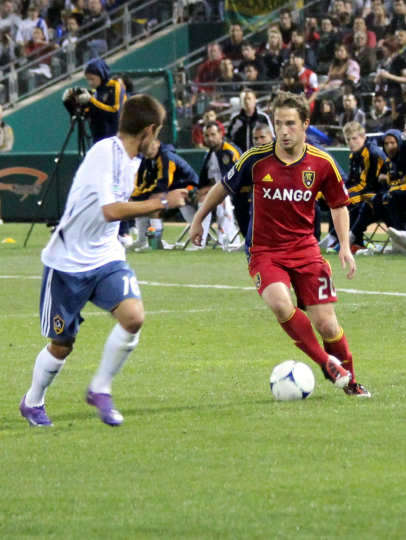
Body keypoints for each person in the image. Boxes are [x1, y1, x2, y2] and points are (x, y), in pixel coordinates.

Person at [19, 94, 188, 427]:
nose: (158, 139)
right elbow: (110, 210)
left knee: (133, 317)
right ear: (149, 130)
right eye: (158, 132)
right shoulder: (102, 153)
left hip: (106, 256)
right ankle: (33, 401)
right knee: (62, 344)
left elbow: (120, 210)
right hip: (67, 262)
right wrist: (161, 202)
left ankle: (100, 388)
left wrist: (156, 201)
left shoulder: (133, 161)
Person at [190, 91, 371, 397]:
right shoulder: (255, 158)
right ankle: (326, 362)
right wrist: (198, 218)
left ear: (305, 125)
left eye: (290, 123)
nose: (283, 131)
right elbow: (222, 187)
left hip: (306, 251)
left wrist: (343, 245)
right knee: (279, 303)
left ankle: (351, 381)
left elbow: (339, 205)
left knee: (327, 325)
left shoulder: (322, 163)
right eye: (278, 123)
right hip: (265, 252)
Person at [131, 138, 199, 250]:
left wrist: (142, 197)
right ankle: (142, 241)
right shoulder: (146, 160)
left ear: (157, 143)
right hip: (171, 191)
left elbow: (163, 184)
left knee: (155, 203)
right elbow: (142, 183)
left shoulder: (166, 157)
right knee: (141, 204)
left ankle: (156, 244)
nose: (146, 150)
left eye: (148, 146)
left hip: (191, 188)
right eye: (143, 147)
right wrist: (135, 197)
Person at [63, 58, 126, 144]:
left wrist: (91, 100)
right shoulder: (95, 92)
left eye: (92, 79)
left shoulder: (115, 86)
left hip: (114, 138)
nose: (90, 83)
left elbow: (115, 111)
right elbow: (84, 115)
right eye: (88, 79)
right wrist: (69, 102)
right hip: (98, 139)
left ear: (101, 74)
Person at [198, 122, 241, 247]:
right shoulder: (209, 154)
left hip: (237, 192)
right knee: (197, 199)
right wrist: (200, 190)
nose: (210, 138)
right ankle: (200, 239)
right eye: (207, 135)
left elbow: (232, 181)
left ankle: (230, 239)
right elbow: (207, 179)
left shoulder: (229, 151)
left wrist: (208, 190)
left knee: (221, 200)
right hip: (217, 191)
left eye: (213, 134)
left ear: (221, 134)